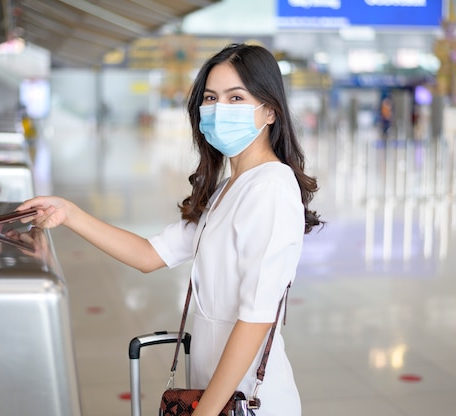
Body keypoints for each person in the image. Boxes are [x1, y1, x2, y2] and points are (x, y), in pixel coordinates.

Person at [16, 43, 321, 416]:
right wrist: (70, 213)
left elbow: (257, 317)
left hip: (248, 401)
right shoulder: (228, 188)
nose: (219, 108)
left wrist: (205, 412)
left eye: (235, 97)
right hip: (213, 393)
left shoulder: (271, 188)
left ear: (270, 110)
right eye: (211, 97)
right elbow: (150, 254)